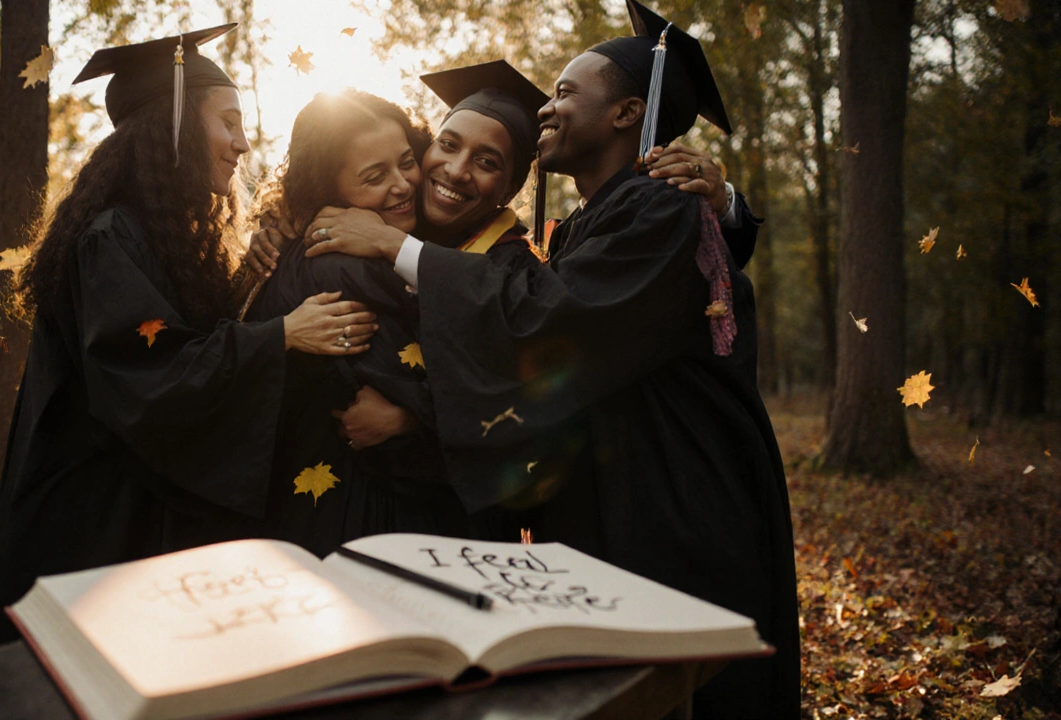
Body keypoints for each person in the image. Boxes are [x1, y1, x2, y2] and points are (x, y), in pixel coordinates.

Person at [296, 4, 800, 717]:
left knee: (671, 691)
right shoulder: (612, 215)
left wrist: (395, 253)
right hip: (623, 498)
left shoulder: (659, 207)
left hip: (673, 502)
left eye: (566, 92)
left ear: (629, 112)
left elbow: (545, 319)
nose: (548, 109)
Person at [0, 26, 378, 649]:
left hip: (138, 502)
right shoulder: (110, 237)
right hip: (96, 518)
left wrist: (251, 276)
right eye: (228, 122)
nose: (243, 143)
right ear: (175, 126)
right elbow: (151, 372)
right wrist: (280, 337)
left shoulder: (166, 237)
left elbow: (192, 335)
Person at [242, 90, 469, 557]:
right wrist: (412, 416)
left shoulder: (383, 248)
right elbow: (426, 385)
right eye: (374, 177)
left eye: (407, 161)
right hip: (364, 517)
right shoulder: (340, 269)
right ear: (329, 192)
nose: (404, 184)